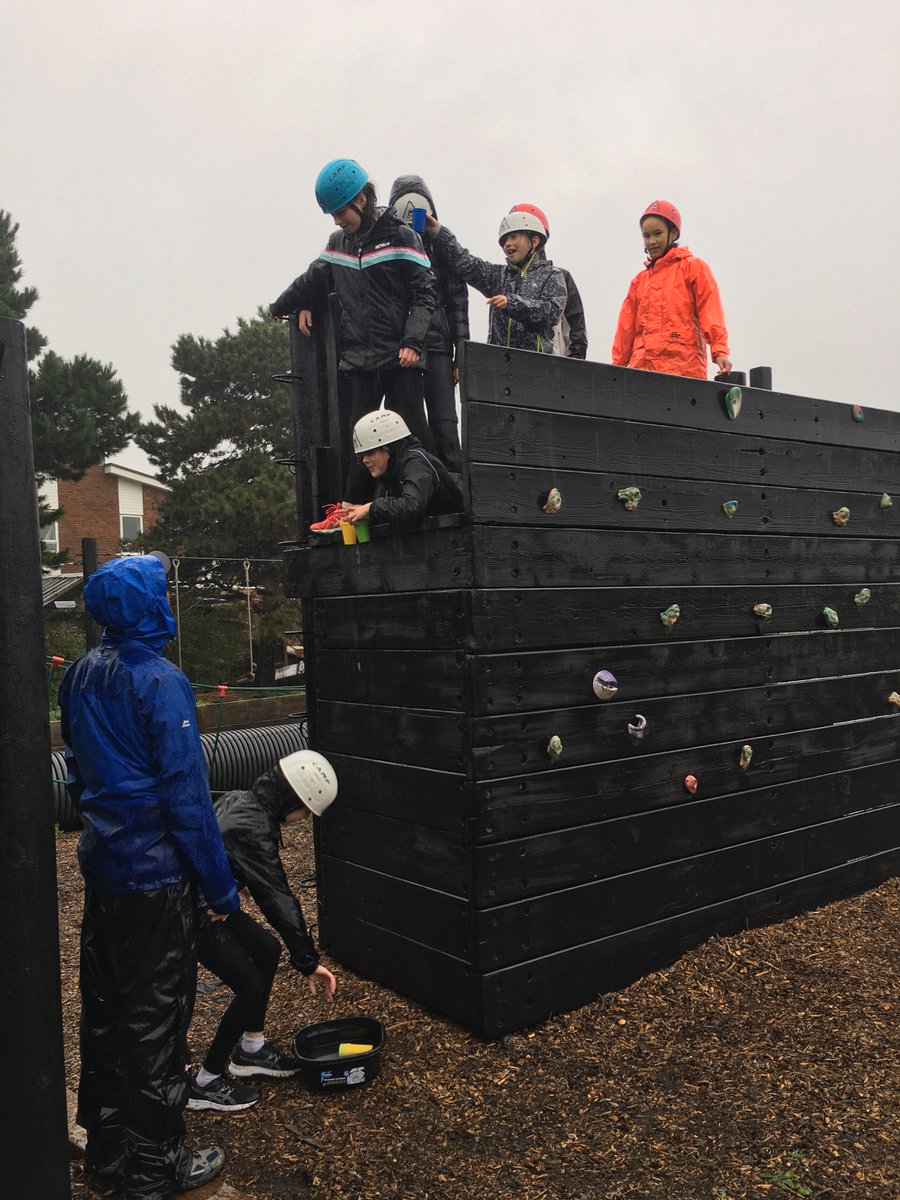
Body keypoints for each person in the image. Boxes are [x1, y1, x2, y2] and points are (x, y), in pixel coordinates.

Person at [59, 555, 237, 1199]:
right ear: (148, 606)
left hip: (104, 869)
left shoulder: (79, 675)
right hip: (156, 879)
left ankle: (106, 1147)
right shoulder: (161, 681)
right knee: (156, 1020)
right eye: (162, 593)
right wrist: (220, 889)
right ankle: (156, 1165)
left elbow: (76, 770)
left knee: (104, 1010)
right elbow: (188, 799)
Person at [269, 158, 437, 536]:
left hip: (399, 357)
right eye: (331, 214)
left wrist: (413, 341)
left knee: (412, 434)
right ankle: (345, 509)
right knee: (355, 438)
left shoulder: (401, 236)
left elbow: (425, 295)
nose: (336, 220)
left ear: (361, 199)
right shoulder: (338, 244)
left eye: (340, 211)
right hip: (359, 358)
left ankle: (427, 502)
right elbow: (313, 278)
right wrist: (282, 306)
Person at [187, 751, 339, 1112]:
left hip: (211, 905)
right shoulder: (253, 829)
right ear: (293, 798)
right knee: (249, 986)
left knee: (267, 950)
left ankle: (251, 1049)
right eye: (305, 811)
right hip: (191, 916)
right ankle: (206, 1080)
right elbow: (278, 899)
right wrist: (308, 961)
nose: (301, 820)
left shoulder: (241, 800)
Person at [389, 175, 470, 473]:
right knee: (408, 426)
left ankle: (457, 491)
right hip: (402, 348)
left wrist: (460, 354)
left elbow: (459, 303)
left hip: (438, 347)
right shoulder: (388, 244)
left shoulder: (444, 247)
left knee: (446, 425)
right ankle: (420, 489)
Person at [611, 200, 732, 380]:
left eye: (657, 233)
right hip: (642, 371)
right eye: (646, 235)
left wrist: (719, 349)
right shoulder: (639, 281)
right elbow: (625, 328)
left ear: (673, 233)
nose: (651, 241)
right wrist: (616, 368)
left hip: (684, 369)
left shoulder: (693, 268)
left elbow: (710, 309)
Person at [425, 207, 567, 354]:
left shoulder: (553, 275)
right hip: (498, 367)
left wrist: (511, 303)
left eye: (514, 237)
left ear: (535, 241)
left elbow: (552, 313)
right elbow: (465, 262)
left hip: (535, 369)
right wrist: (437, 231)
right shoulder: (498, 275)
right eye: (504, 240)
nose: (507, 244)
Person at [341, 408, 465, 534]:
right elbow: (395, 510)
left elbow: (412, 507)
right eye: (362, 456)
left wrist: (370, 508)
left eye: (370, 453)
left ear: (388, 448)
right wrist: (367, 515)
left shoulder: (416, 464)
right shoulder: (388, 471)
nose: (364, 460)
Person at [505, 203, 588, 360]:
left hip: (552, 367)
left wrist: (575, 367)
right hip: (510, 368)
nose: (510, 241)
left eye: (516, 235)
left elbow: (576, 329)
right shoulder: (504, 280)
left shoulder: (560, 277)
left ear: (535, 238)